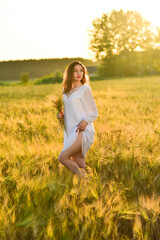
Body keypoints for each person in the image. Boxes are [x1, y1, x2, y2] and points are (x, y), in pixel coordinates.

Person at [57, 60, 98, 177]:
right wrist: (61, 116)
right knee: (79, 161)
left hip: (81, 130)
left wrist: (85, 121)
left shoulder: (85, 89)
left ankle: (85, 179)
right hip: (70, 131)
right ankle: (87, 187)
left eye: (81, 71)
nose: (79, 73)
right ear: (70, 73)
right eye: (75, 71)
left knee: (63, 157)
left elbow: (94, 112)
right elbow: (68, 113)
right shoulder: (65, 92)